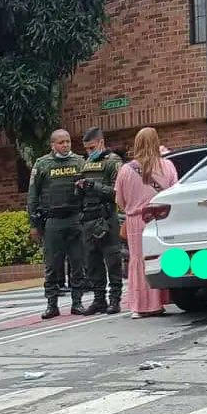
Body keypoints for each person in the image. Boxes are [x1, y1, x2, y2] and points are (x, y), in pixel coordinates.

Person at [115, 127, 179, 319]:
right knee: (159, 259)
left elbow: (119, 201)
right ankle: (158, 302)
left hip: (135, 220)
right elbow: (174, 193)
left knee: (138, 261)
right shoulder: (167, 166)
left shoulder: (125, 170)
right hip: (160, 218)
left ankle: (138, 306)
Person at [28, 128, 88, 318]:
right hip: (52, 221)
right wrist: (33, 224)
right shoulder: (43, 164)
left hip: (74, 218)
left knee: (78, 262)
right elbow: (32, 196)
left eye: (68, 141)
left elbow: (88, 189)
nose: (65, 145)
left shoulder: (79, 162)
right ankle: (52, 304)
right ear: (53, 145)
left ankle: (77, 303)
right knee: (52, 265)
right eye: (61, 142)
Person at [75, 125, 124, 316]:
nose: (89, 152)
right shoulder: (84, 164)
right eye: (86, 148)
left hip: (106, 218)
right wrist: (79, 188)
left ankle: (114, 299)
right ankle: (98, 299)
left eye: (92, 147)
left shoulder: (114, 162)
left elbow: (116, 193)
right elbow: (77, 192)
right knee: (92, 261)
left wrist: (93, 186)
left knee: (112, 259)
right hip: (88, 218)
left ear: (101, 142)